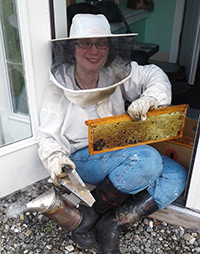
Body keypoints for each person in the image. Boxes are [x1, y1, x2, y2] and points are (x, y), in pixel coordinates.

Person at [37, 14, 187, 254]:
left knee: (176, 176)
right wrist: (55, 157)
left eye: (101, 43)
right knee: (146, 160)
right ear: (72, 48)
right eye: (85, 43)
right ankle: (90, 215)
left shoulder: (116, 72)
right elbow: (47, 137)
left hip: (118, 148)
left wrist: (151, 98)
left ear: (109, 47)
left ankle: (110, 222)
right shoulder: (59, 84)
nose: (94, 50)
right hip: (82, 157)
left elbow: (154, 74)